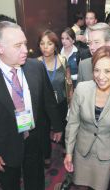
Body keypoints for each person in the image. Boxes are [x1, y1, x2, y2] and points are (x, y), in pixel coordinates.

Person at [0, 21, 64, 190]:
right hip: (4, 146)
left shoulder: (36, 67)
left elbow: (49, 101)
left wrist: (57, 126)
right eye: (18, 45)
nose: (26, 50)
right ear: (0, 48)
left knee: (36, 181)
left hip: (34, 138)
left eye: (25, 43)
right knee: (10, 184)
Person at [64, 46, 110, 190]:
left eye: (107, 71)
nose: (101, 76)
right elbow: (73, 123)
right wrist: (69, 152)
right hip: (82, 151)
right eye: (96, 70)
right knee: (80, 186)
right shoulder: (82, 89)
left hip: (106, 155)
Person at [37, 29, 73, 167]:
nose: (45, 47)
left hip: (61, 102)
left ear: (56, 45)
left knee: (63, 126)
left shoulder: (63, 60)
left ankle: (65, 146)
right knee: (44, 131)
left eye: (49, 43)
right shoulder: (35, 64)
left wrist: (71, 102)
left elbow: (68, 83)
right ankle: (46, 154)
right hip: (43, 106)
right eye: (42, 43)